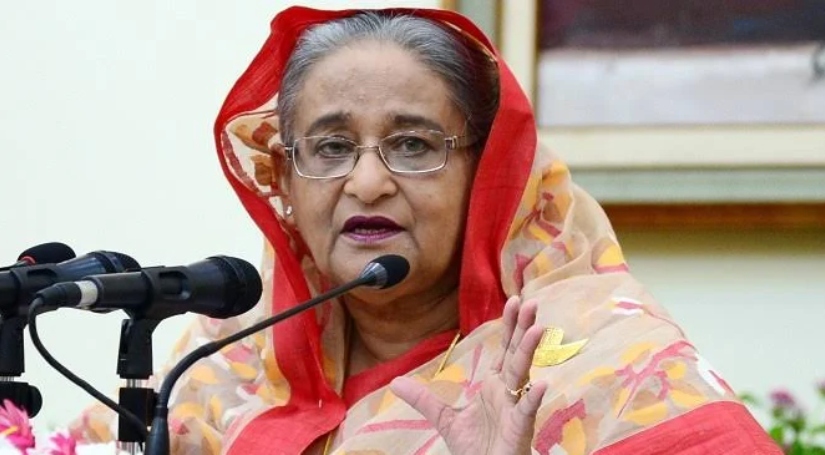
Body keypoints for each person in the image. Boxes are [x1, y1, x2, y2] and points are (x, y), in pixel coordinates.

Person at [73, 6, 780, 454]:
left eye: (412, 145)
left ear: (487, 172)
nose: (367, 182)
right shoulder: (226, 359)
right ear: (283, 178)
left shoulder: (593, 355)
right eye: (331, 146)